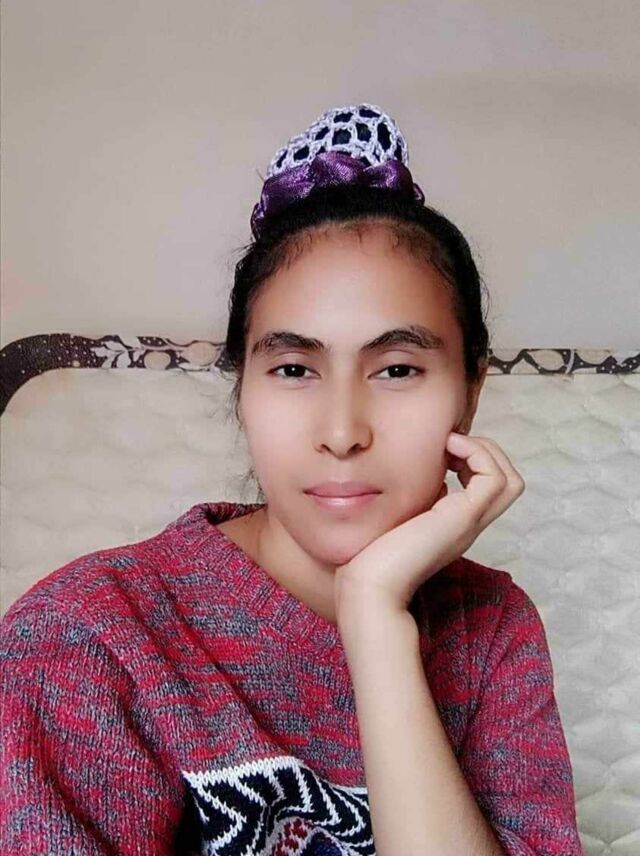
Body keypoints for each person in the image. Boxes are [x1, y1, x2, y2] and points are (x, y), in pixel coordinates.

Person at [0, 103, 582, 854]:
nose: (341, 432)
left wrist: (375, 619)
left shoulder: (491, 627)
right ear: (242, 389)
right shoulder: (84, 637)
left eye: (397, 369)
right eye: (294, 369)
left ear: (471, 389)